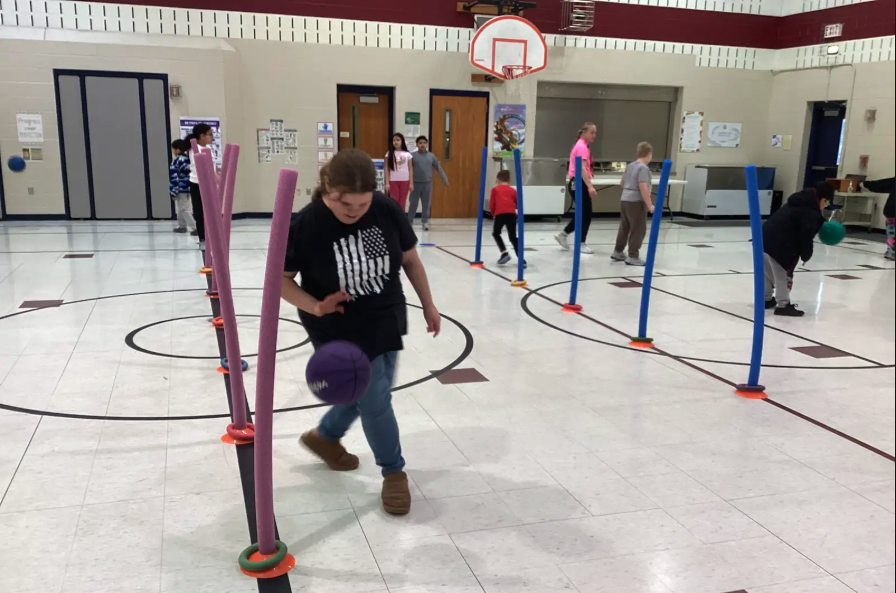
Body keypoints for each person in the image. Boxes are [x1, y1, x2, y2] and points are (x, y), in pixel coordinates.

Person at [281, 148, 441, 516]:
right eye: (344, 203)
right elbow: (281, 281)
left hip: (385, 314)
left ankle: (325, 436)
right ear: (326, 186)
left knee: (368, 388)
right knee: (375, 398)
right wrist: (316, 306)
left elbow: (411, 260)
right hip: (335, 323)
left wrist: (429, 304)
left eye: (362, 204)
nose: (354, 212)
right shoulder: (307, 224)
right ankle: (393, 471)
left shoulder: (386, 209)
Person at [762, 182, 831, 317]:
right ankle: (783, 305)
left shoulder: (797, 201)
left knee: (767, 272)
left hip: (763, 239)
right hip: (782, 245)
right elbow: (806, 236)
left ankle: (765, 299)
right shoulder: (810, 212)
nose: (825, 206)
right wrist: (806, 254)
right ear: (822, 199)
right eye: (826, 202)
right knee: (783, 275)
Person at [555, 122, 599, 254]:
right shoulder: (582, 147)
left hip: (577, 182)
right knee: (585, 214)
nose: (594, 135)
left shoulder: (581, 145)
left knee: (583, 213)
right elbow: (582, 168)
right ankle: (581, 242)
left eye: (595, 133)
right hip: (578, 182)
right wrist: (590, 186)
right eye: (591, 132)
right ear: (584, 132)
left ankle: (564, 234)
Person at [612, 142, 655, 266]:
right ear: (649, 154)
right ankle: (633, 255)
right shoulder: (643, 168)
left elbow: (622, 182)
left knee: (624, 227)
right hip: (636, 201)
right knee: (638, 229)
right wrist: (649, 204)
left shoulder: (630, 165)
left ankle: (618, 251)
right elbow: (643, 187)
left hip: (625, 199)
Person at [408, 136, 449, 231]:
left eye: (424, 143)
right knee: (413, 204)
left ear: (427, 144)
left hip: (427, 184)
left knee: (426, 204)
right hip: (415, 184)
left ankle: (425, 222)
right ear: (417, 144)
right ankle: (409, 222)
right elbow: (408, 169)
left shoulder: (431, 156)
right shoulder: (412, 156)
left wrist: (444, 178)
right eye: (420, 143)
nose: (422, 145)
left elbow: (438, 168)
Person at [187, 123, 215, 249]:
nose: (212, 137)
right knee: (200, 212)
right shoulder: (194, 149)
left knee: (210, 212)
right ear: (202, 136)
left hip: (208, 183)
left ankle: (210, 236)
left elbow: (211, 167)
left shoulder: (208, 148)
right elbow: (201, 168)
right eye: (209, 134)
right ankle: (202, 238)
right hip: (197, 184)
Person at [489, 169, 522, 266]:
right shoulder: (513, 190)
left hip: (500, 214)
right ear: (509, 180)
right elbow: (518, 204)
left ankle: (504, 253)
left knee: (496, 233)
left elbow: (492, 204)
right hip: (511, 214)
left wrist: (493, 213)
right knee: (513, 237)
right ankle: (521, 258)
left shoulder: (495, 189)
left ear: (498, 179)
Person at [859, 177, 895, 261]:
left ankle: (892, 251)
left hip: (892, 211)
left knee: (892, 234)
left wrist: (865, 184)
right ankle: (892, 251)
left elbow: (882, 184)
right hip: (892, 211)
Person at [169, 139, 197, 235]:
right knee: (181, 207)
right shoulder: (188, 159)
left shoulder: (177, 161)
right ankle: (182, 226)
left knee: (184, 208)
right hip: (188, 187)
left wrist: (173, 191)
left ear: (177, 149)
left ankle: (195, 227)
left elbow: (174, 177)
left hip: (180, 188)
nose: (173, 151)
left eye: (173, 149)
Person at [384, 133, 414, 212]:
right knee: (394, 201)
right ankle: (394, 217)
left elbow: (410, 168)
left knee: (402, 202)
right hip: (393, 181)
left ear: (402, 141)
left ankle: (401, 217)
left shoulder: (408, 154)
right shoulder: (389, 154)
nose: (396, 142)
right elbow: (387, 169)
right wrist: (387, 183)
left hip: (405, 181)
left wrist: (411, 183)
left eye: (398, 140)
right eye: (394, 140)